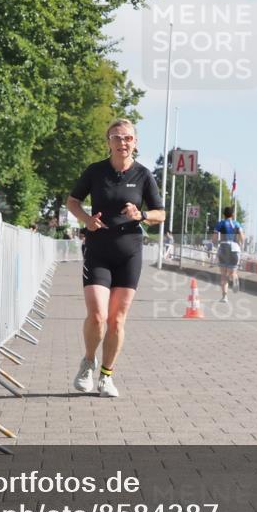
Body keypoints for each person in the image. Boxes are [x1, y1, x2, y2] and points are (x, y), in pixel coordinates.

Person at [66, 119, 165, 398]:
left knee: (117, 320)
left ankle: (106, 376)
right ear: (108, 141)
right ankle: (87, 362)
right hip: (98, 250)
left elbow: (161, 214)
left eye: (128, 138)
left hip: (129, 253)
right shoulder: (95, 171)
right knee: (97, 316)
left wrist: (141, 215)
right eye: (117, 137)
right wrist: (87, 220)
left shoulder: (144, 175)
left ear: (136, 142)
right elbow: (72, 201)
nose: (123, 142)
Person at [212, 206, 244, 302]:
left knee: (223, 275)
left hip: (224, 247)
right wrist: (240, 244)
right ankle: (235, 279)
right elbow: (242, 237)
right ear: (233, 215)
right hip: (235, 248)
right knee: (232, 272)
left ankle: (225, 296)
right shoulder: (237, 224)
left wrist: (215, 243)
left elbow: (214, 238)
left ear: (223, 215)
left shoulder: (220, 224)